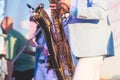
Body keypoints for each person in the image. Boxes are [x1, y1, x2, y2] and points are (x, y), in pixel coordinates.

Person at [50, 0, 115, 80]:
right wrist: (66, 12)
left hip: (92, 48)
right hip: (81, 50)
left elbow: (100, 12)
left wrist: (72, 9)